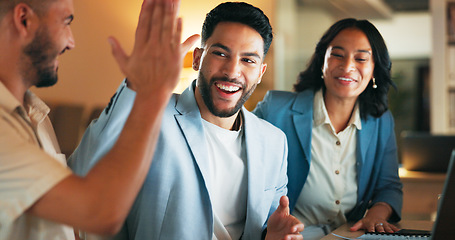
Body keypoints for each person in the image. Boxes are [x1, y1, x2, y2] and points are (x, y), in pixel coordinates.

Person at [69, 2, 304, 240]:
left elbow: (269, 224)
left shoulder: (274, 141)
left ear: (260, 72)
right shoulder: (150, 116)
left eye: (248, 60)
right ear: (197, 59)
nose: (232, 71)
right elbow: (81, 172)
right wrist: (135, 84)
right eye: (220, 53)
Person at [0, 0, 199, 239]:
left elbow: (72, 205)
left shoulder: (35, 114)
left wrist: (139, 85)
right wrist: (153, 91)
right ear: (24, 19)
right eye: (66, 22)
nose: (71, 42)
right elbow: (100, 212)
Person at [253, 18, 403, 240]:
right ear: (322, 60)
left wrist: (377, 213)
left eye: (361, 58)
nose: (347, 66)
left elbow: (389, 185)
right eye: (337, 54)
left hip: (349, 235)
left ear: (374, 71)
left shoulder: (380, 121)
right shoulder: (276, 109)